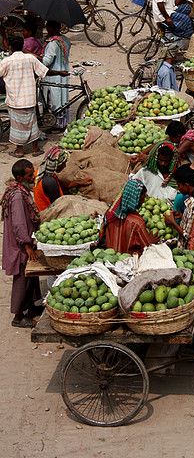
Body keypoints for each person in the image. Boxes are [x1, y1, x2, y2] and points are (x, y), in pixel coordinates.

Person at [1, 159, 42, 328]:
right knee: (23, 278)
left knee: (31, 276)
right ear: (20, 177)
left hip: (25, 241)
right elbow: (18, 224)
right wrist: (26, 245)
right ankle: (18, 316)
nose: (33, 176)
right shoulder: (17, 196)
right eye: (29, 174)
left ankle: (31, 307)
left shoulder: (22, 190)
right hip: (20, 245)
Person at [0, 35, 51, 156]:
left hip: (15, 99)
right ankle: (35, 149)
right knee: (32, 124)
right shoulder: (30, 58)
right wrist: (61, 73)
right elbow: (44, 71)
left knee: (17, 126)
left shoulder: (6, 61)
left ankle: (19, 150)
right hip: (29, 99)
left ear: (10, 47)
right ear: (23, 46)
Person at [100, 180, 157, 253]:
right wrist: (151, 241)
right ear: (136, 197)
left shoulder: (109, 214)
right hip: (129, 260)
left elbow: (102, 239)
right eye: (142, 196)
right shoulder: (137, 222)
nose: (143, 200)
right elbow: (148, 248)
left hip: (111, 257)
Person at [33, 145, 92, 211]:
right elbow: (59, 205)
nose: (64, 166)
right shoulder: (49, 181)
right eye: (63, 163)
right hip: (48, 212)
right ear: (56, 164)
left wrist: (77, 182)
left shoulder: (41, 172)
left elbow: (60, 187)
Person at [42, 20, 71, 129]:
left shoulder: (53, 44)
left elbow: (46, 62)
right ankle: (63, 122)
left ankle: (56, 124)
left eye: (48, 28)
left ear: (52, 29)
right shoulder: (65, 40)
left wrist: (36, 57)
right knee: (63, 98)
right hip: (64, 72)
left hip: (54, 75)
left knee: (55, 99)